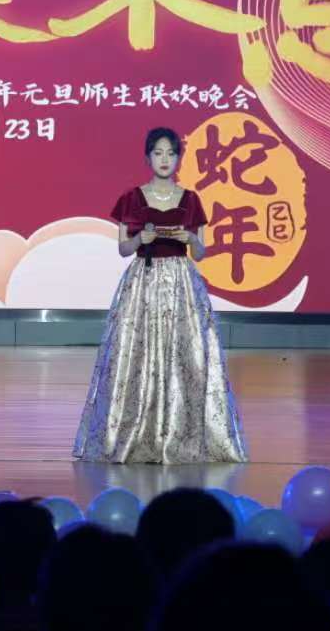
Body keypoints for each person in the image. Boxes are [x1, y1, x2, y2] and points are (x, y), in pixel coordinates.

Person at [74, 126, 247, 464]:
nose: (164, 159)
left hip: (181, 285)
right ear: (147, 157)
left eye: (170, 153)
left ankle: (181, 434)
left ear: (179, 158)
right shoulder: (131, 198)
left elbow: (201, 252)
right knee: (136, 356)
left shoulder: (191, 199)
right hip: (144, 282)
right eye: (158, 153)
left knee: (184, 355)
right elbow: (124, 249)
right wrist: (140, 240)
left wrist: (190, 238)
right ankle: (136, 434)